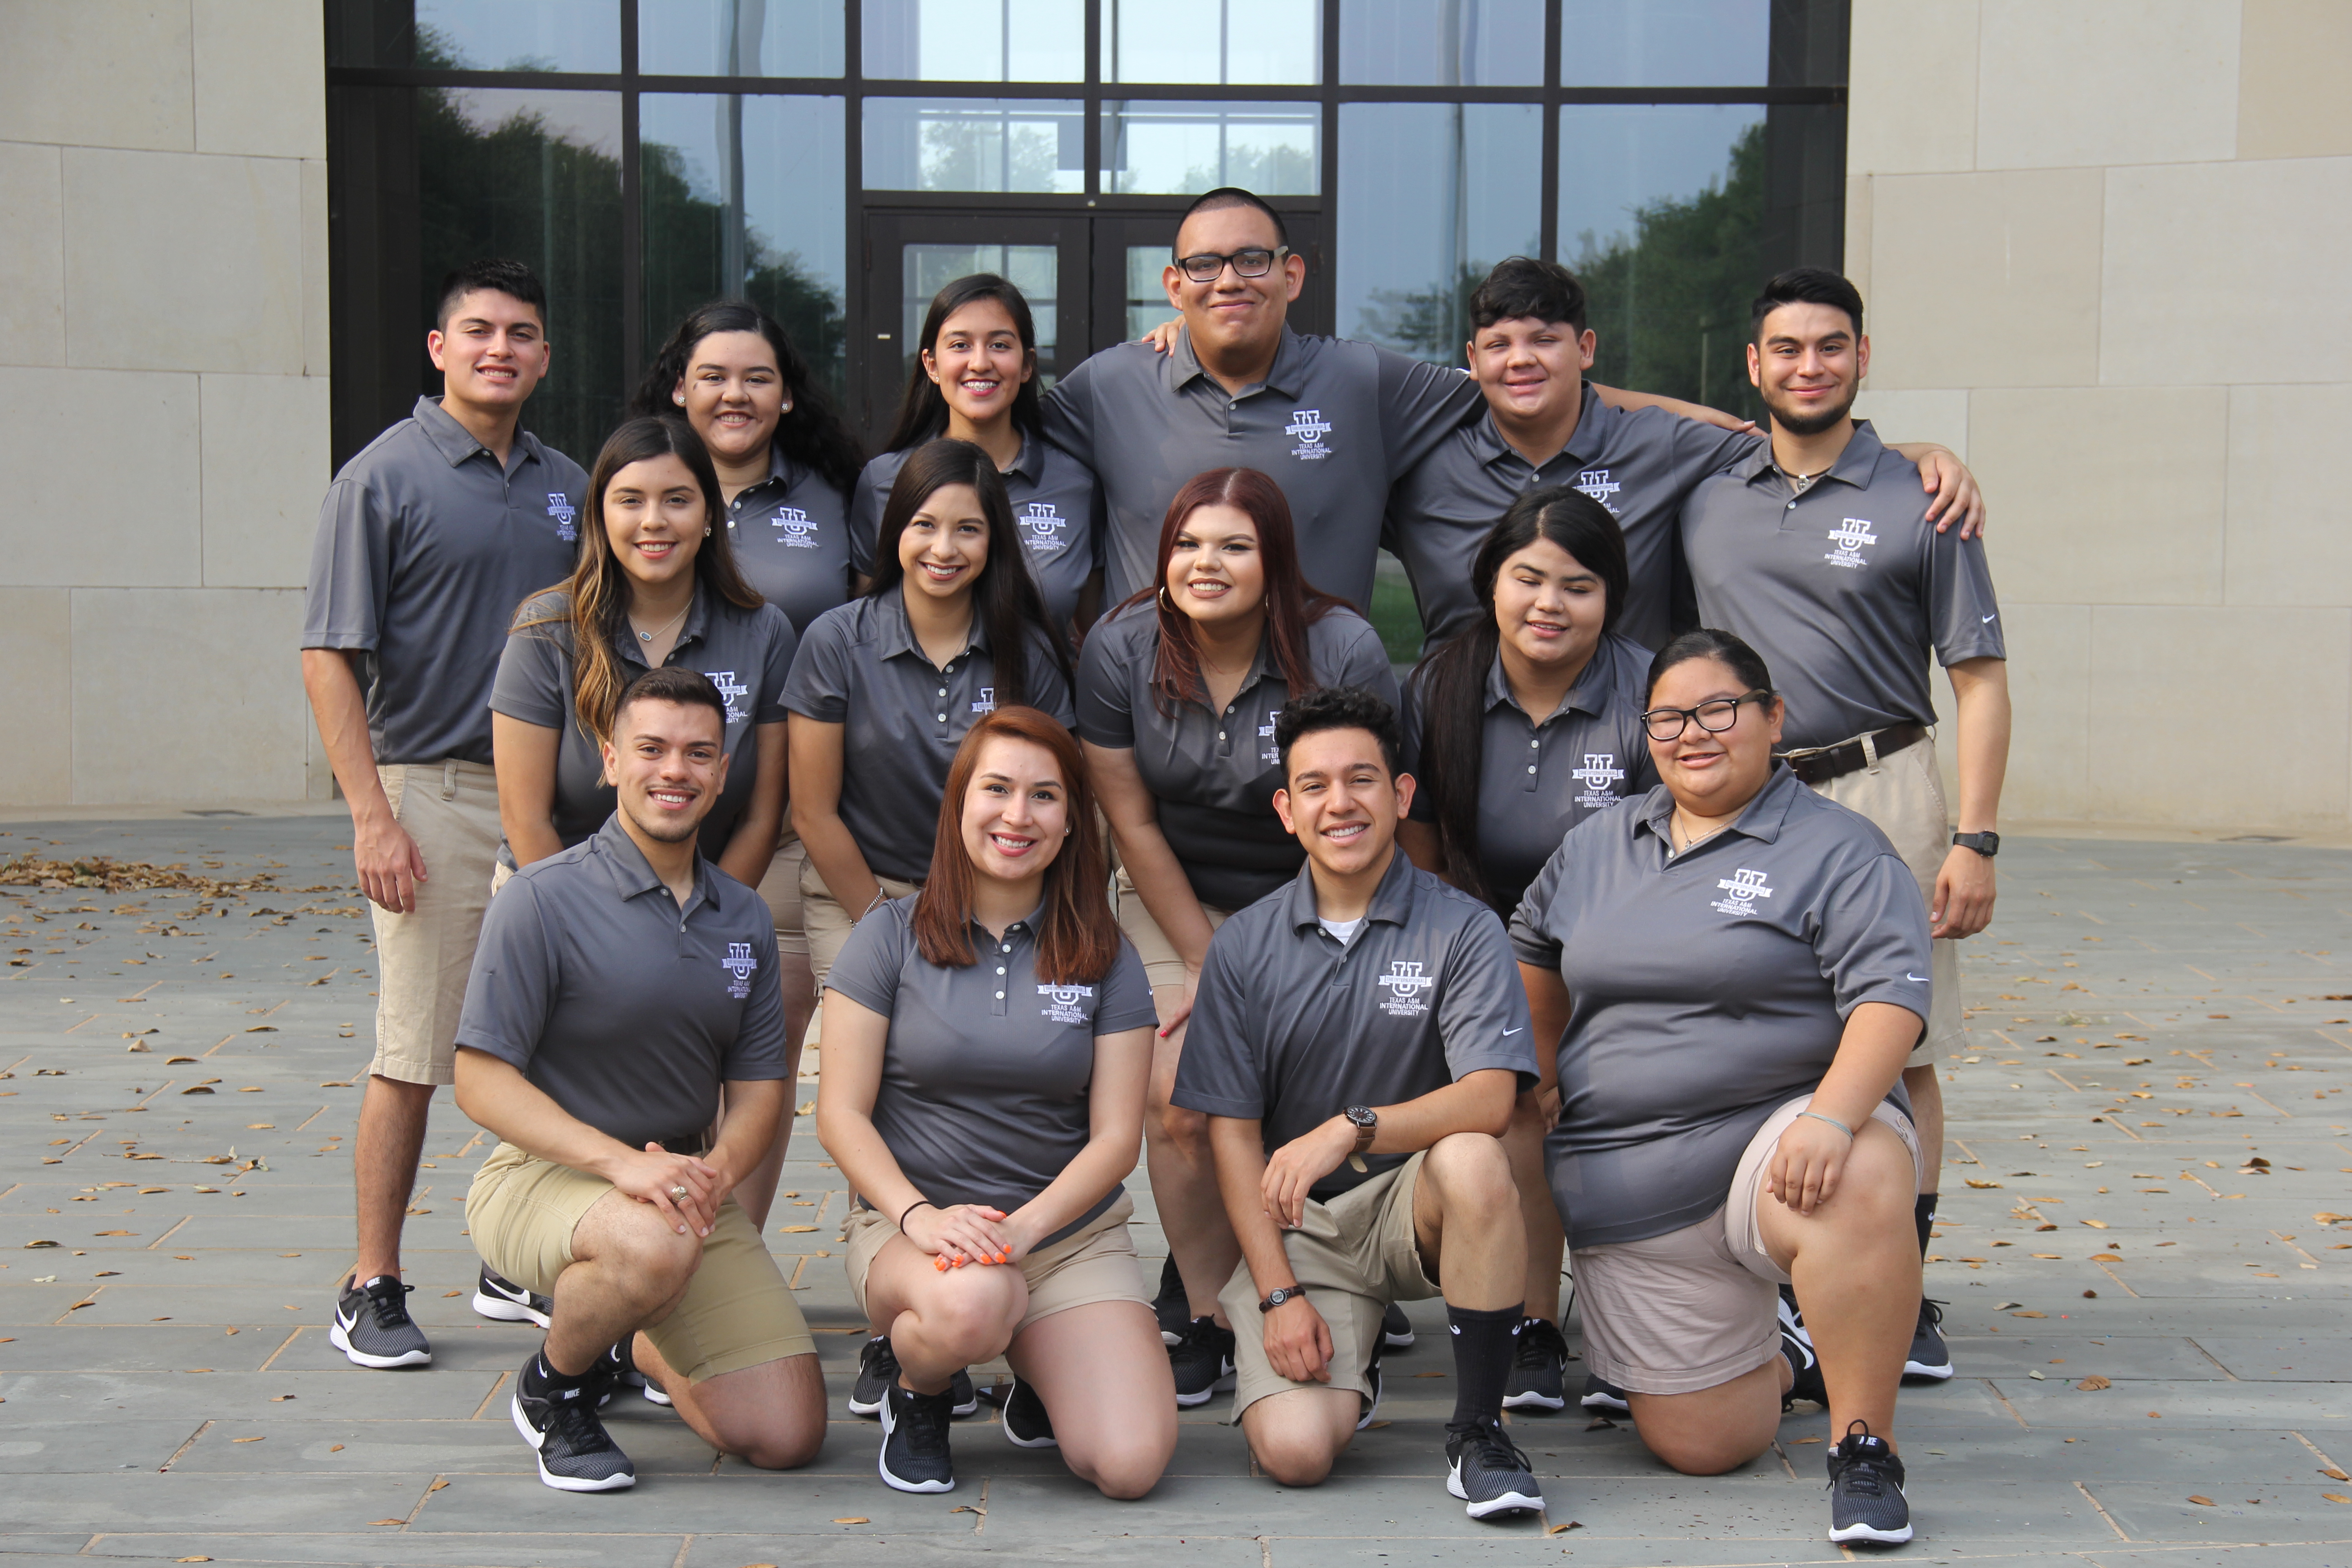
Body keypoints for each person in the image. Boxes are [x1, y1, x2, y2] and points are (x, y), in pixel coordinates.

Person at [1510, 629, 1929, 1545]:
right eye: (1669, 716)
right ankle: (1786, 1349)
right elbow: (1532, 950)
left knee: (1858, 1171)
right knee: (1706, 1443)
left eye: (1718, 710)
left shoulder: (1839, 849)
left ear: (1774, 719)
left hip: (1776, 1147)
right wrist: (1539, 1073)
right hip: (1629, 1187)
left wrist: (1831, 1115)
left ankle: (1864, 1446)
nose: (1693, 732)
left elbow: (1891, 1001)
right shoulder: (1598, 844)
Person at [1680, 269, 2010, 1383]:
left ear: (1861, 358)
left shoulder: (1922, 497)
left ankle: (1897, 1291)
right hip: (1744, 795)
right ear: (1753, 367)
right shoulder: (1713, 480)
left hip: (1885, 788)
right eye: (1784, 349)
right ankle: (1773, 1274)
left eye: (1829, 347)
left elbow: (1979, 679)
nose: (1806, 366)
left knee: (1901, 1041)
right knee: (1748, 1024)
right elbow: (1617, 406)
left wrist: (1975, 836)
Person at [301, 258, 586, 1370]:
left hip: (551, 797)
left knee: (562, 1031)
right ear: (439, 347)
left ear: (545, 354)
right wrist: (372, 815)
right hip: (436, 788)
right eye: (478, 330)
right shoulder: (381, 477)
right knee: (417, 1044)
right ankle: (371, 1280)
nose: (499, 349)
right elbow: (330, 654)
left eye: (521, 332)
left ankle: (516, 1254)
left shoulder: (568, 481)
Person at [1171, 686, 1546, 1520]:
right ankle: (1352, 1349)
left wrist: (1353, 1126)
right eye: (1314, 786)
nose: (1339, 803)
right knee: (1295, 1454)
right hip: (1302, 1230)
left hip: (1412, 1204)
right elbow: (1231, 1137)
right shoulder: (1243, 945)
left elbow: (1489, 1097)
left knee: (1476, 1155)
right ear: (1286, 810)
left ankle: (1479, 1430)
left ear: (1400, 795)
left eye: (1361, 780)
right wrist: (1275, 1295)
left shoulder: (1462, 928)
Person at [455, 666, 826, 1491]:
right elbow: (479, 1081)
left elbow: (762, 1089)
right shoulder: (542, 899)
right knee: (649, 1242)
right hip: (545, 1178)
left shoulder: (744, 916)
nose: (675, 771)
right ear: (610, 761)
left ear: (723, 773)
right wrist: (625, 1166)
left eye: (698, 754)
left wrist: (715, 1174)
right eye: (651, 748)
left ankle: (629, 1326)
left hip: (685, 1187)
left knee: (786, 1431)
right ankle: (555, 1387)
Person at [1076, 466, 1400, 1402]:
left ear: (1276, 560)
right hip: (1171, 893)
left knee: (1314, 1066)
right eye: (1186, 543)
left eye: (1233, 545)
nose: (1204, 563)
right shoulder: (1121, 646)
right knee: (1178, 1091)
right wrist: (1210, 960)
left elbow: (1359, 814)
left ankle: (1345, 1268)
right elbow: (1130, 818)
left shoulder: (1340, 645)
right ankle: (1207, 1305)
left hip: (1315, 887)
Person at [1075, 190, 1767, 614]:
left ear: (1291, 275)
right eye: (1205, 267)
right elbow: (1005, 442)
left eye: (1251, 260)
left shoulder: (1363, 381)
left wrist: (1713, 422)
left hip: (1324, 717)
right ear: (1174, 284)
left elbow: (1514, 382)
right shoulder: (1109, 386)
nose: (1229, 281)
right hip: (1154, 709)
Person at [815, 707, 1175, 1498]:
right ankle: (921, 1390)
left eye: (1044, 797)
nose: (1018, 816)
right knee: (976, 1298)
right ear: (959, 804)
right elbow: (838, 1113)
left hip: (1064, 1240)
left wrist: (1023, 1229)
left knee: (1129, 1463)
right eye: (998, 790)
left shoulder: (1104, 954)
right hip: (917, 1233)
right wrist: (916, 1216)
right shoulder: (886, 935)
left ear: (1072, 822)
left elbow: (1117, 1140)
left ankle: (1040, 1372)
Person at [490, 415, 800, 1234]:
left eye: (676, 499)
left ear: (710, 515)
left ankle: (705, 1231)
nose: (653, 522)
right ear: (599, 514)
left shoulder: (762, 629)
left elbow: (764, 801)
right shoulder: (546, 627)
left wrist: (706, 910)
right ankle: (544, 1220)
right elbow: (524, 810)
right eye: (628, 501)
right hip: (550, 883)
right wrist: (589, 923)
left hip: (706, 880)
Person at [1395, 486, 1656, 1413]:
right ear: (1490, 583)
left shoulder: (1648, 694)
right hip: (1479, 952)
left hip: (1623, 955)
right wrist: (1509, 1005)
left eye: (1579, 586)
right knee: (1511, 1102)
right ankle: (1534, 1321)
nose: (1551, 604)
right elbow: (1424, 868)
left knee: (1621, 1095)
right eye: (1529, 579)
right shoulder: (1437, 688)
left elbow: (1669, 870)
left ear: (1612, 597)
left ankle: (1642, 1324)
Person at [1384, 256, 1985, 651]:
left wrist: (1919, 455)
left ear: (1586, 349)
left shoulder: (1659, 446)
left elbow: (1793, 451)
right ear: (1473, 357)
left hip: (1625, 762)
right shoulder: (1425, 466)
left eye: (1545, 340)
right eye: (1500, 346)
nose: (1520, 360)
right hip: (1458, 751)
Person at [634, 299, 866, 1163]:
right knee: (665, 1041)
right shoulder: (640, 493)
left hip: (794, 820)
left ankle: (737, 1255)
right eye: (714, 377)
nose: (735, 395)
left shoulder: (837, 495)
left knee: (760, 1044)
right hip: (660, 818)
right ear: (679, 390)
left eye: (757, 378)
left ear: (789, 397)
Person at [784, 438, 1076, 1010]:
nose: (944, 548)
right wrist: (888, 927)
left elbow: (1055, 800)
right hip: (864, 894)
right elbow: (813, 813)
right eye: (924, 525)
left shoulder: (1028, 653)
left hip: (995, 895)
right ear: (896, 528)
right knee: (880, 1060)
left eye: (968, 529)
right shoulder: (837, 641)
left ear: (993, 541)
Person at [852, 274, 1102, 637]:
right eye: (960, 345)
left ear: (1028, 365)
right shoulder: (883, 481)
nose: (981, 362)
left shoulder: (1076, 486)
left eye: (1000, 345)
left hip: (1037, 694)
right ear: (932, 365)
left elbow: (1094, 634)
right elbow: (864, 625)